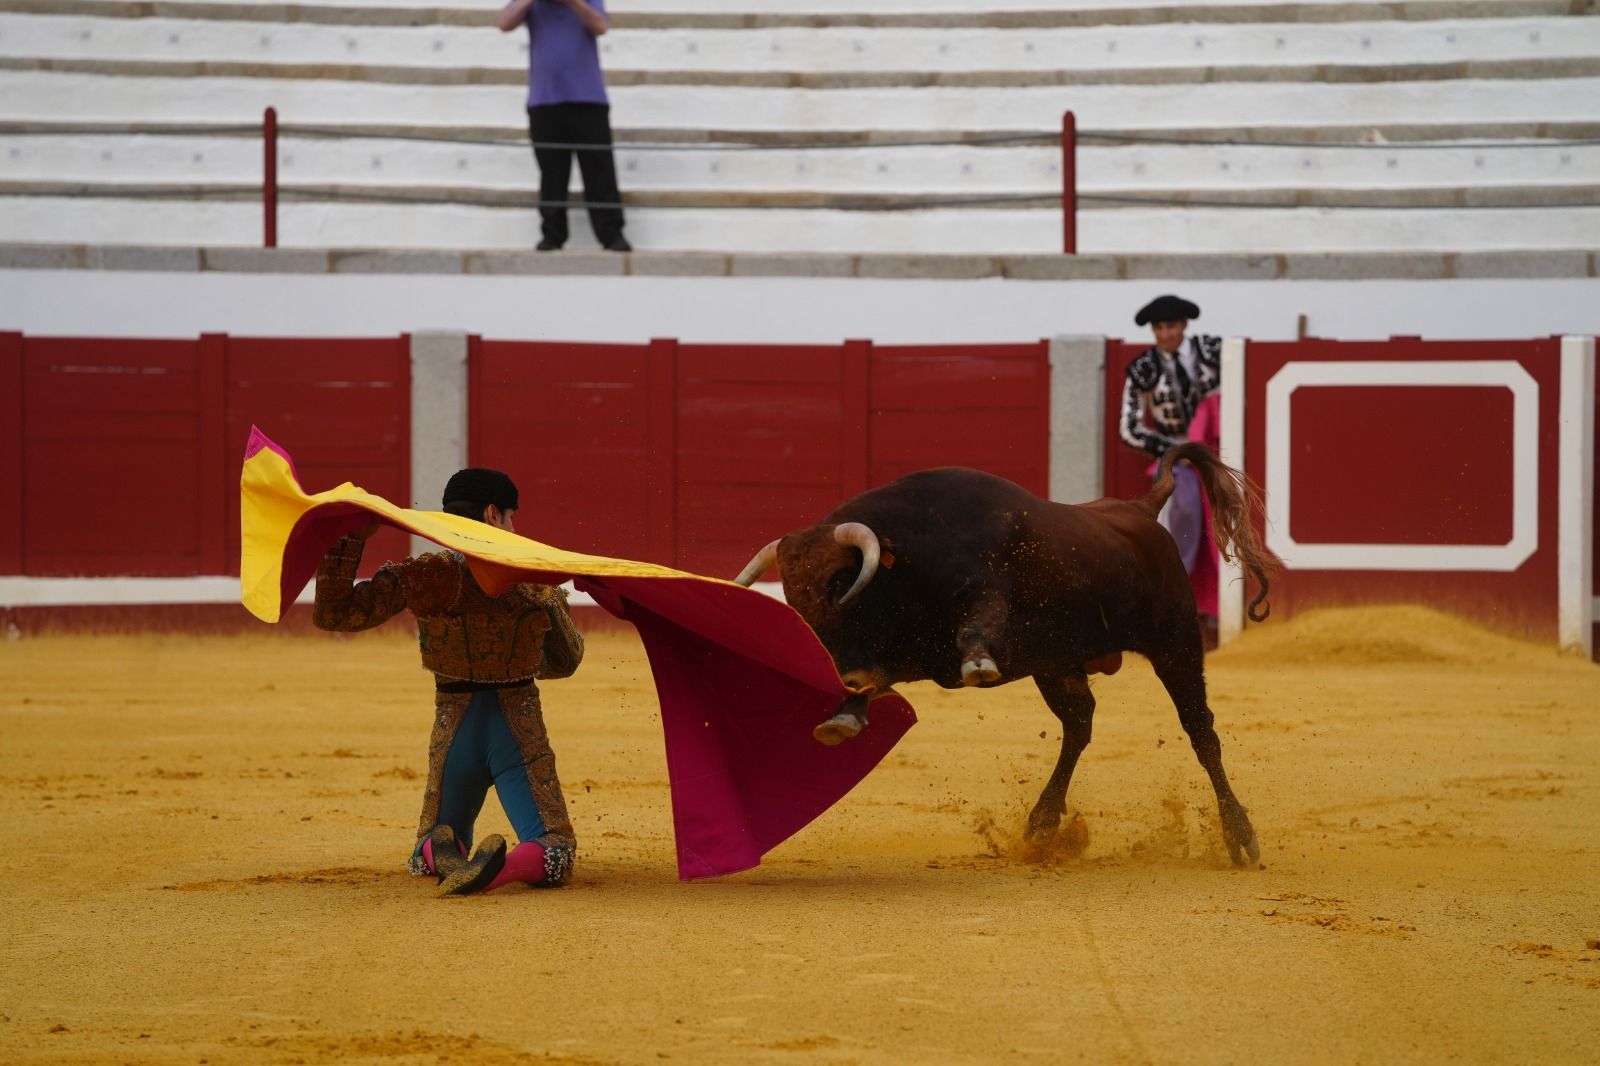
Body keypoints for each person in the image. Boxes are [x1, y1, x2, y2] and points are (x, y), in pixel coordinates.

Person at [312, 468, 584, 896]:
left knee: (432, 840)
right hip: (518, 729)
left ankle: (443, 853)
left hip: (453, 731)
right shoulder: (532, 578)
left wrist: (350, 539)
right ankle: (501, 871)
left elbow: (334, 614)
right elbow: (566, 662)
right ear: (493, 515)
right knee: (554, 850)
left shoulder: (428, 575)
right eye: (511, 517)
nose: (515, 528)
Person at [1119, 293, 1222, 644]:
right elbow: (1129, 428)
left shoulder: (1216, 353)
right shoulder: (1143, 369)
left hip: (1223, 454)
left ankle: (1220, 613)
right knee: (1185, 515)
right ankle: (1184, 605)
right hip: (1177, 459)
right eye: (1159, 328)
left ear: (1185, 325)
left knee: (1227, 524)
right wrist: (1176, 451)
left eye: (1171, 326)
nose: (1166, 334)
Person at [498, 0, 631, 253]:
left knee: (599, 170)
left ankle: (612, 234)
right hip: (544, 99)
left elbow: (601, 26)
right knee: (552, 174)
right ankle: (552, 235)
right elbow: (504, 22)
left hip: (588, 97)